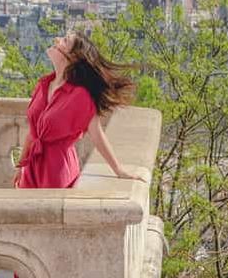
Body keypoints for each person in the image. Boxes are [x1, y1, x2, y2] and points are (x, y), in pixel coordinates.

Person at [14, 30, 144, 188]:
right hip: (31, 169)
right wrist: (21, 166)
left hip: (57, 171)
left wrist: (119, 170)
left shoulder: (79, 96)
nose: (56, 39)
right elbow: (33, 133)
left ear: (73, 57)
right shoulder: (43, 85)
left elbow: (96, 133)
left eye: (64, 40)